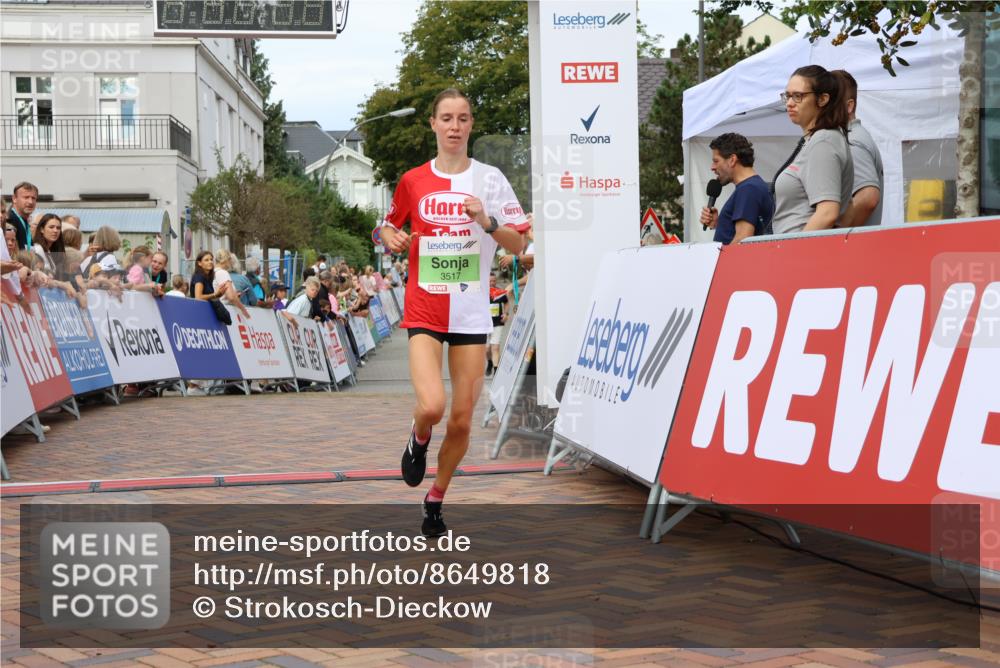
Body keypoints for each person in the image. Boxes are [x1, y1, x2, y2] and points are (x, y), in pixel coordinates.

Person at [379, 87, 526, 537]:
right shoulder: (413, 180)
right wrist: (385, 235)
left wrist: (487, 222)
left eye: (463, 118)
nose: (455, 127)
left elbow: (520, 244)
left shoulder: (491, 179)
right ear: (433, 125)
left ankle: (436, 497)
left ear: (471, 126)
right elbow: (388, 223)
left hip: (470, 314)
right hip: (424, 308)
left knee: (462, 418)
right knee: (433, 406)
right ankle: (418, 435)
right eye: (447, 118)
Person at [771, 65, 854, 235]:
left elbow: (827, 213)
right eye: (787, 96)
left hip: (801, 253)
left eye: (798, 96)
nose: (789, 103)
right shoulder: (819, 139)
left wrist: (793, 250)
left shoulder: (823, 141)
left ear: (822, 99)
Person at [699, 133, 774, 244]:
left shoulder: (748, 189)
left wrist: (721, 261)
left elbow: (742, 240)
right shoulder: (752, 187)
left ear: (732, 160)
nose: (712, 167)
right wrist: (719, 224)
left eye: (716, 161)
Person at [832, 70, 884, 228]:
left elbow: (868, 198)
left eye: (829, 102)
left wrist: (834, 234)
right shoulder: (851, 137)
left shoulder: (851, 141)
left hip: (850, 248)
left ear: (849, 106)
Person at [212, 249, 251, 317]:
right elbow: (231, 297)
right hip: (226, 310)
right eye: (230, 260)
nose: (231, 262)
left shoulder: (213, 273)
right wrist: (243, 309)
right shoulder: (223, 273)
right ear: (226, 259)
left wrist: (234, 294)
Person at [486, 273, 508, 376]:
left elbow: (506, 303)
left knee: (495, 347)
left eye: (493, 281)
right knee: (487, 349)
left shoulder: (500, 293)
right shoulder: (482, 293)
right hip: (485, 324)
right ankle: (490, 362)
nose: (492, 283)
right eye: (489, 281)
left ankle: (496, 370)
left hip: (498, 322)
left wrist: (506, 313)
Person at [7, 182, 39, 250]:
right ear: (14, 198)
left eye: (33, 198)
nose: (30, 202)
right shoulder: (10, 219)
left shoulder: (24, 221)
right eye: (26, 197)